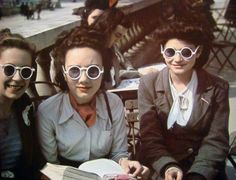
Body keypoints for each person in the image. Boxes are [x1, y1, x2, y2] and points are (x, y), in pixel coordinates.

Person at [37, 26, 149, 179]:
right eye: (74, 71)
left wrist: (125, 164)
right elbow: (52, 165)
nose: (84, 79)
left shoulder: (113, 103)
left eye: (93, 70)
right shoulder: (48, 111)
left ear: (103, 71)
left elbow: (118, 153)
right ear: (64, 72)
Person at [138, 16, 229, 180]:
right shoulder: (148, 84)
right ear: (162, 51)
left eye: (186, 53)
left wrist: (198, 173)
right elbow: (150, 137)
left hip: (203, 169)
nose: (177, 59)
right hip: (163, 167)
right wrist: (168, 166)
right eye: (170, 52)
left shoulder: (217, 87)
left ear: (198, 52)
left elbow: (216, 140)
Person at [0, 29, 45, 179]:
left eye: (25, 72)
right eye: (9, 69)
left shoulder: (23, 104)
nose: (18, 78)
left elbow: (33, 160)